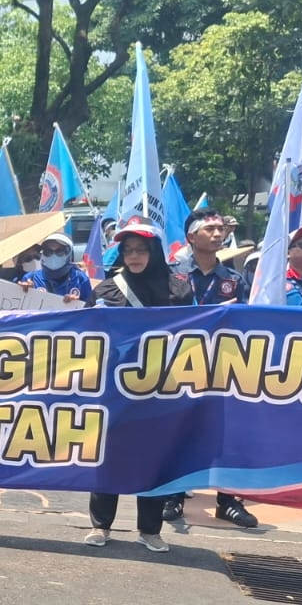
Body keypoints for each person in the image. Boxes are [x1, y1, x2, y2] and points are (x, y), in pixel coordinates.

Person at [86, 221, 191, 553]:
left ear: (154, 252)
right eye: (128, 250)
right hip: (115, 392)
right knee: (109, 457)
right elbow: (87, 340)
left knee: (154, 461)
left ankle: (150, 529)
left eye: (141, 249)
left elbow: (194, 340)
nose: (134, 256)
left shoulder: (178, 291)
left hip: (162, 391)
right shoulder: (106, 291)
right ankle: (101, 525)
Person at [165, 208, 258, 529]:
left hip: (222, 369)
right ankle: (174, 495)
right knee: (178, 431)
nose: (218, 234)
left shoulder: (233, 280)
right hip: (179, 366)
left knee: (225, 434)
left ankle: (228, 500)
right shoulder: (171, 274)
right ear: (191, 237)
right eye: (210, 229)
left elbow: (247, 325)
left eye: (221, 229)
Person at [25, 232, 92, 303]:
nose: (53, 255)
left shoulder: (80, 279)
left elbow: (91, 308)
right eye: (48, 251)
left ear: (71, 255)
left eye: (60, 251)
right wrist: (24, 291)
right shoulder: (31, 278)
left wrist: (78, 304)